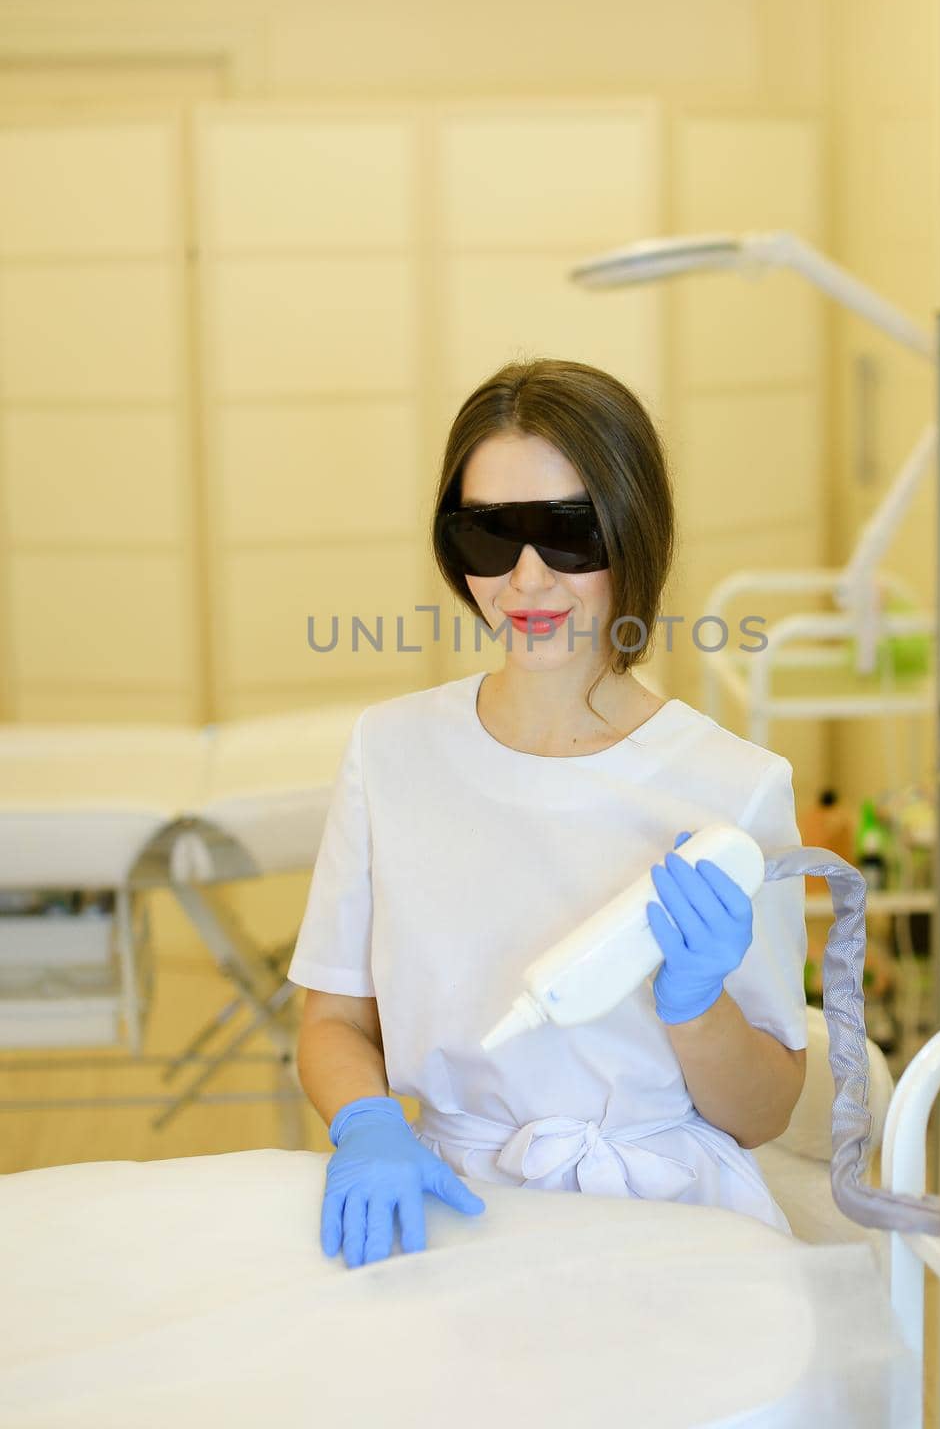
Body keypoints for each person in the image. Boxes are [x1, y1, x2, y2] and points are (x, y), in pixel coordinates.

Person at [287, 357, 808, 1270]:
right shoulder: (391, 751)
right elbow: (332, 1020)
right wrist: (369, 1122)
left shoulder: (736, 788)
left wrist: (696, 1010)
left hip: (670, 1220)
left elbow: (763, 1114)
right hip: (455, 1200)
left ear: (632, 533)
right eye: (489, 537)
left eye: (567, 535)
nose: (526, 581)